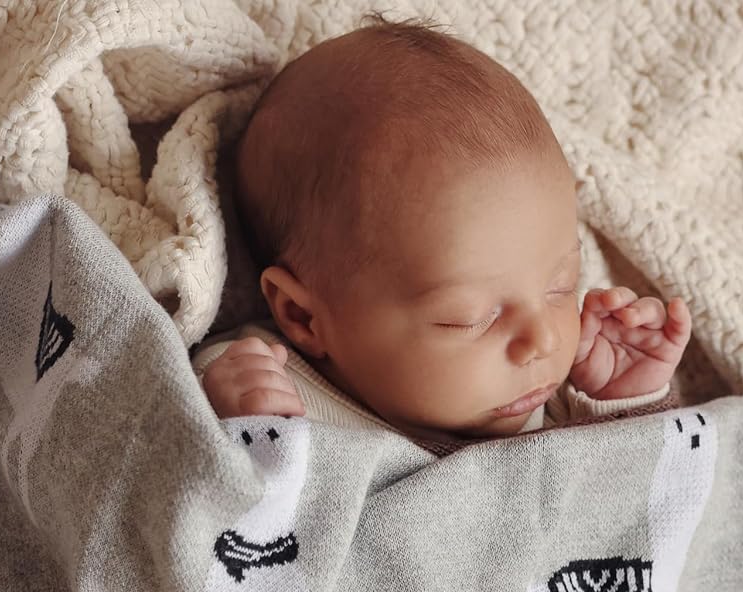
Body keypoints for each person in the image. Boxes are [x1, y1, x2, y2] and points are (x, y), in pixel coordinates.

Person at [193, 11, 692, 457]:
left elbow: (625, 505)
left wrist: (623, 402)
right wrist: (240, 432)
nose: (542, 339)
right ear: (302, 316)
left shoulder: (551, 400)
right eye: (468, 318)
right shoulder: (261, 388)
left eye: (561, 287)